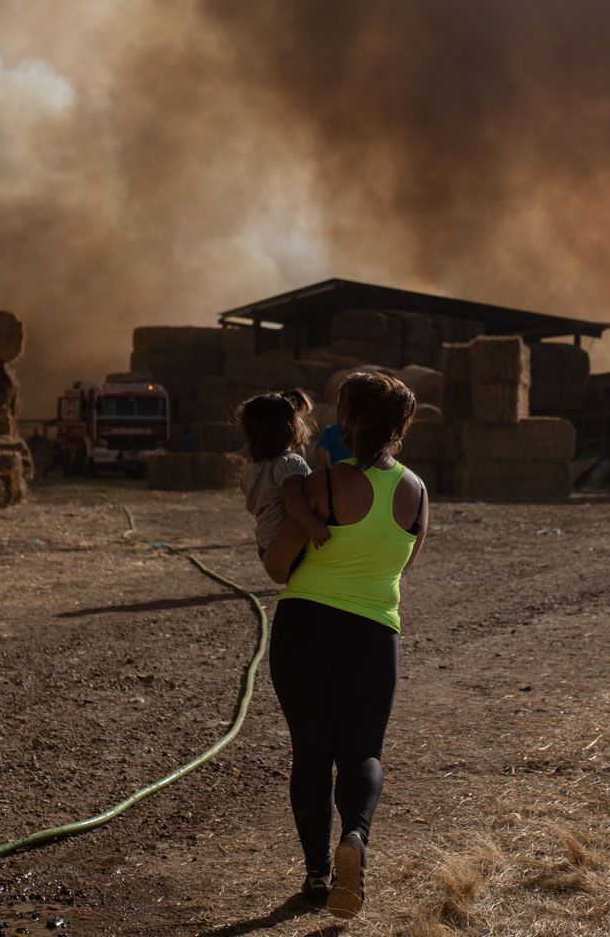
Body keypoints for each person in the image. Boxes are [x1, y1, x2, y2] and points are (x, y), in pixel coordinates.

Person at [263, 372, 428, 918]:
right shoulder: (415, 491)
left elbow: (277, 566)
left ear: (350, 422)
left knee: (312, 752)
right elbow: (403, 563)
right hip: (372, 633)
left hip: (304, 626)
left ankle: (316, 877)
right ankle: (355, 838)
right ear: (402, 426)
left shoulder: (323, 484)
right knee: (362, 752)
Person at [238, 389, 331, 578]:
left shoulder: (251, 470)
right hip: (288, 545)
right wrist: (312, 525)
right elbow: (292, 496)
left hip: (264, 544)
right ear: (293, 428)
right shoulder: (290, 463)